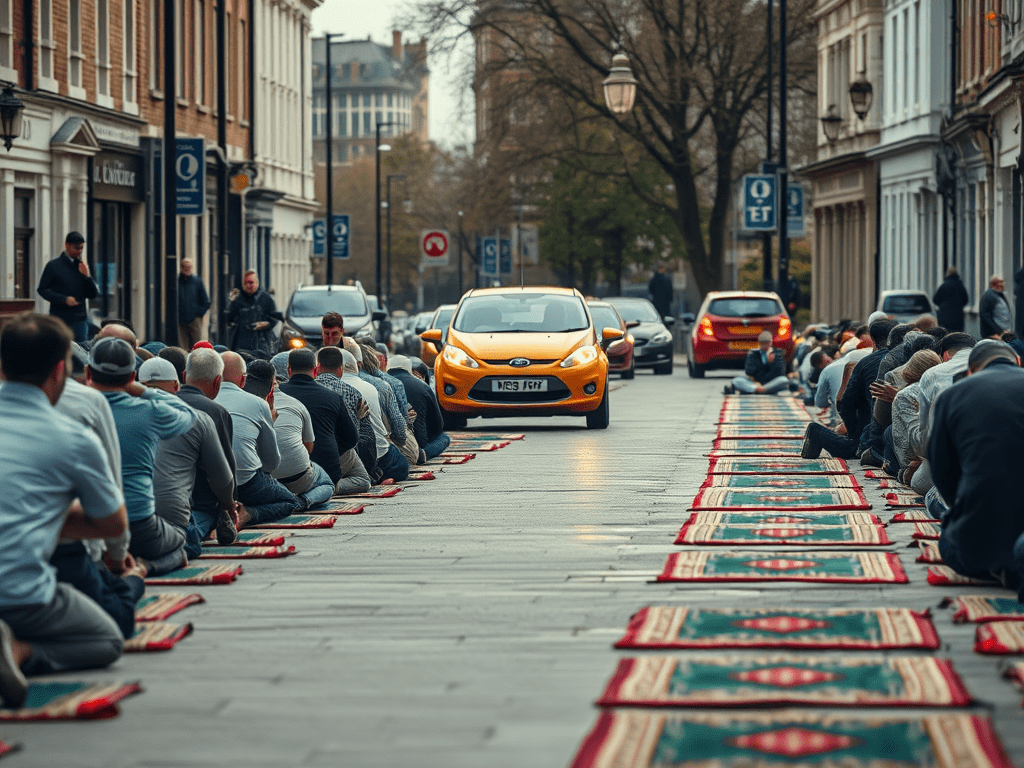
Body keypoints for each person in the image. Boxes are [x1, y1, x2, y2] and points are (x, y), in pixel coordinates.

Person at [0, 314, 127, 708]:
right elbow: (112, 523)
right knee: (104, 639)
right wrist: (52, 516)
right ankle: (19, 651)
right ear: (60, 370)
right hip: (18, 594)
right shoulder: (72, 438)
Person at [87, 338, 197, 576]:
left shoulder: (75, 409)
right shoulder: (149, 410)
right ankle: (144, 568)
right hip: (139, 524)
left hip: (88, 524)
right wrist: (144, 391)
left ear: (88, 372)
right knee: (182, 541)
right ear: (131, 376)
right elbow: (188, 415)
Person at [929, 341, 1024, 597]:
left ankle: (1004, 567)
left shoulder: (952, 395)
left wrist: (961, 508)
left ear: (971, 370)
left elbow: (942, 471)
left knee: (948, 536)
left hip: (980, 538)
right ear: (1017, 362)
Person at [144, 357, 237, 559]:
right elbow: (223, 479)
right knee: (186, 546)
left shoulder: (111, 415)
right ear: (177, 384)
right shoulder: (197, 417)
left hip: (120, 520)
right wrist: (226, 505)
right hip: (170, 519)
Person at [215, 352, 299, 526]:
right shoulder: (258, 403)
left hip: (210, 486)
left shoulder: (203, 402)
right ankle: (248, 514)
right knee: (290, 501)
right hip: (246, 484)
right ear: (243, 380)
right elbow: (271, 464)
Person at [177, 347, 243, 551]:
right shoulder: (215, 412)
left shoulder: (163, 404)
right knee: (186, 542)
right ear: (218, 382)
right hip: (200, 505)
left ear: (184, 376)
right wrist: (228, 504)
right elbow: (224, 470)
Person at [279, 349, 360, 492]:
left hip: (281, 474)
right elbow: (351, 438)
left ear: (289, 370)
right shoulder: (332, 397)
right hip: (327, 470)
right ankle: (324, 490)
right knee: (360, 476)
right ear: (315, 370)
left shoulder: (278, 394)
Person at [341, 349, 409, 483]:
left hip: (325, 459)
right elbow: (400, 432)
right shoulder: (375, 386)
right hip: (369, 457)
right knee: (402, 465)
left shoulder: (321, 387)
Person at [315, 346, 376, 492]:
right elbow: (353, 438)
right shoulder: (352, 393)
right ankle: (330, 487)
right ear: (341, 370)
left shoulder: (308, 390)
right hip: (339, 457)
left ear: (317, 368)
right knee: (363, 480)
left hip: (308, 455)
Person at [35, 231, 99, 343]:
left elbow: (92, 294)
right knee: (59, 347)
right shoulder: (53, 266)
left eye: (81, 248)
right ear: (67, 245)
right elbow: (42, 289)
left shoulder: (81, 266)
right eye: (76, 248)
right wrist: (63, 299)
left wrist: (87, 277)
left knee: (81, 349)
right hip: (59, 318)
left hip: (80, 318)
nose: (79, 251)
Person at [388, 355, 450, 461]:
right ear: (409, 369)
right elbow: (438, 425)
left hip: (388, 443)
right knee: (444, 438)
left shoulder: (379, 385)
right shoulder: (423, 386)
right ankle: (423, 453)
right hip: (417, 442)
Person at [225, 270, 280, 356]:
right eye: (245, 283)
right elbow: (229, 318)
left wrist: (266, 324)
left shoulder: (265, 297)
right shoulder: (238, 298)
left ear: (257, 283)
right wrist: (231, 302)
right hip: (242, 342)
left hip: (262, 341)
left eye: (251, 283)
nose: (248, 285)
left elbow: (275, 317)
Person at [725, 331, 797, 395]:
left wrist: (772, 362)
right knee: (737, 380)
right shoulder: (753, 354)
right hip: (756, 383)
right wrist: (755, 382)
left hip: (771, 383)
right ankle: (760, 390)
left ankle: (759, 390)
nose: (765, 345)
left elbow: (780, 373)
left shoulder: (776, 354)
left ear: (770, 343)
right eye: (763, 343)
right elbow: (749, 371)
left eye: (766, 343)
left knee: (783, 380)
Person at [178, 258, 211, 350]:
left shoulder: (197, 282)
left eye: (189, 267)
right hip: (181, 321)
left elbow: (206, 301)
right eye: (185, 266)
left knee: (196, 346)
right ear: (181, 267)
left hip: (194, 320)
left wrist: (198, 314)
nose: (187, 269)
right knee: (183, 347)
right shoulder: (176, 282)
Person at [932, 267, 969, 332]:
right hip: (957, 316)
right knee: (957, 335)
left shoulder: (944, 286)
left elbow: (935, 299)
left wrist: (943, 305)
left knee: (945, 334)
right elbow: (965, 300)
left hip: (944, 316)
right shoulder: (960, 286)